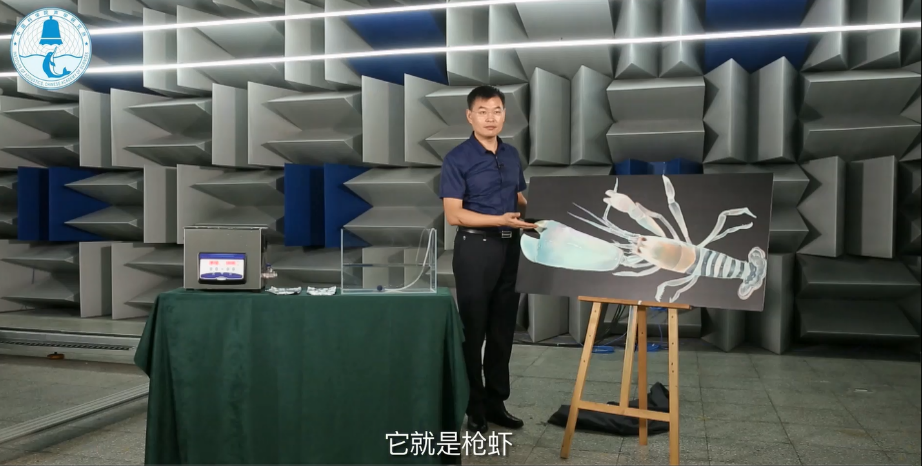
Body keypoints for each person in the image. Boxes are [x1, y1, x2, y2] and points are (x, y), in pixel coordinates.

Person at [438, 85, 537, 433]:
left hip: (511, 249)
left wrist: (545, 211)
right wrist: (499, 219)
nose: (490, 118)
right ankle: (474, 407)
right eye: (483, 112)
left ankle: (496, 403)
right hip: (476, 250)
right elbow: (454, 214)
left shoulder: (511, 155)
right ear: (470, 116)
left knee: (502, 331)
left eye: (496, 111)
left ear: (504, 114)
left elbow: (518, 197)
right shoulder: (457, 159)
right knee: (474, 329)